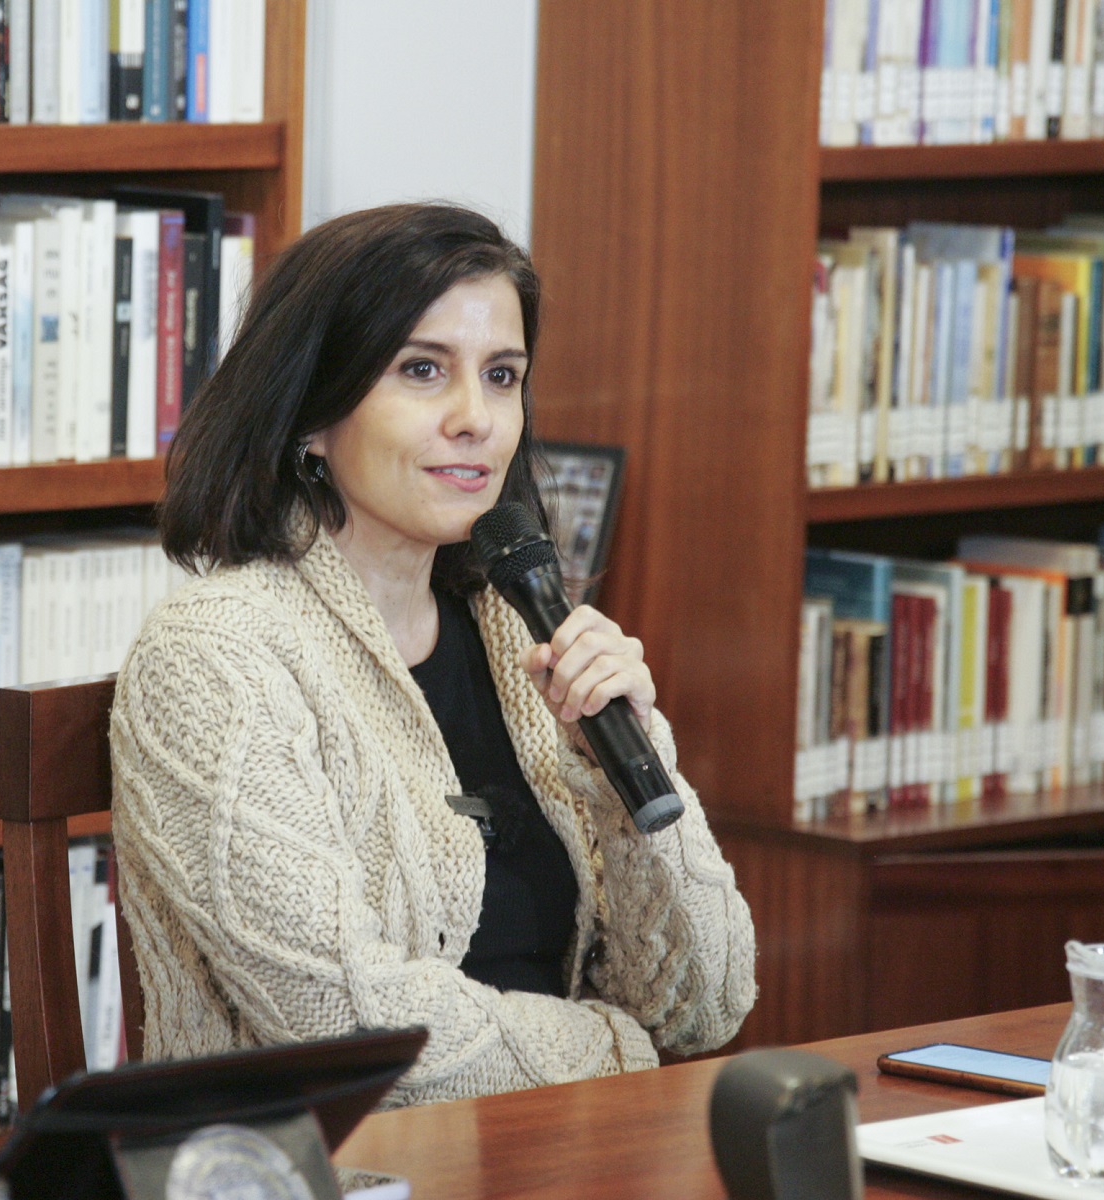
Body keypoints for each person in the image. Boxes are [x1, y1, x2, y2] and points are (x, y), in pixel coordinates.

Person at [109, 203, 757, 1105]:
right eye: (423, 371)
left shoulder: (522, 630)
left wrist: (629, 775)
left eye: (502, 376)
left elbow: (708, 1004)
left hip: (554, 1157)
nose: (477, 419)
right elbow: (344, 1025)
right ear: (309, 412)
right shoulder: (215, 656)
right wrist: (612, 1051)